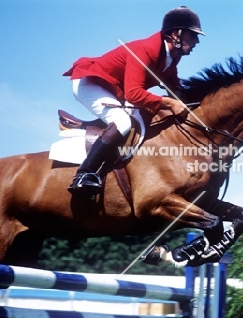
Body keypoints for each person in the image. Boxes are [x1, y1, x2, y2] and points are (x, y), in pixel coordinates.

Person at [63, 6, 203, 196]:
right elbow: (134, 95)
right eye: (192, 35)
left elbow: (175, 87)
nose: (196, 41)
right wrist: (170, 103)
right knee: (123, 122)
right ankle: (84, 174)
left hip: (115, 89)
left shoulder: (171, 57)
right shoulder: (145, 50)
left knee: (147, 118)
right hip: (91, 84)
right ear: (175, 34)